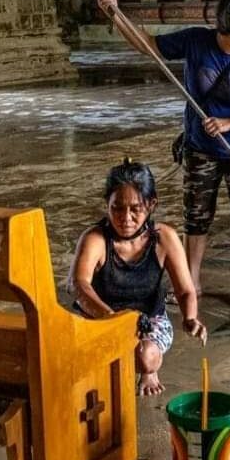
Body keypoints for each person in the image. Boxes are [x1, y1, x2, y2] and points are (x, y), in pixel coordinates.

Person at [97, 0, 230, 310]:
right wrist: (115, 14)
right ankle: (192, 278)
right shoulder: (197, 41)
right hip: (200, 147)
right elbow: (148, 46)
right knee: (197, 217)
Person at [70, 160, 207, 396]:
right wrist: (112, 320)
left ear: (151, 205)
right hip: (101, 316)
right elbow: (78, 284)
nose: (126, 217)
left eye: (136, 209)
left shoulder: (164, 238)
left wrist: (190, 317)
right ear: (107, 205)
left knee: (145, 356)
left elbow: (185, 290)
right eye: (117, 208)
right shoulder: (96, 238)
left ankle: (148, 371)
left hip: (148, 320)